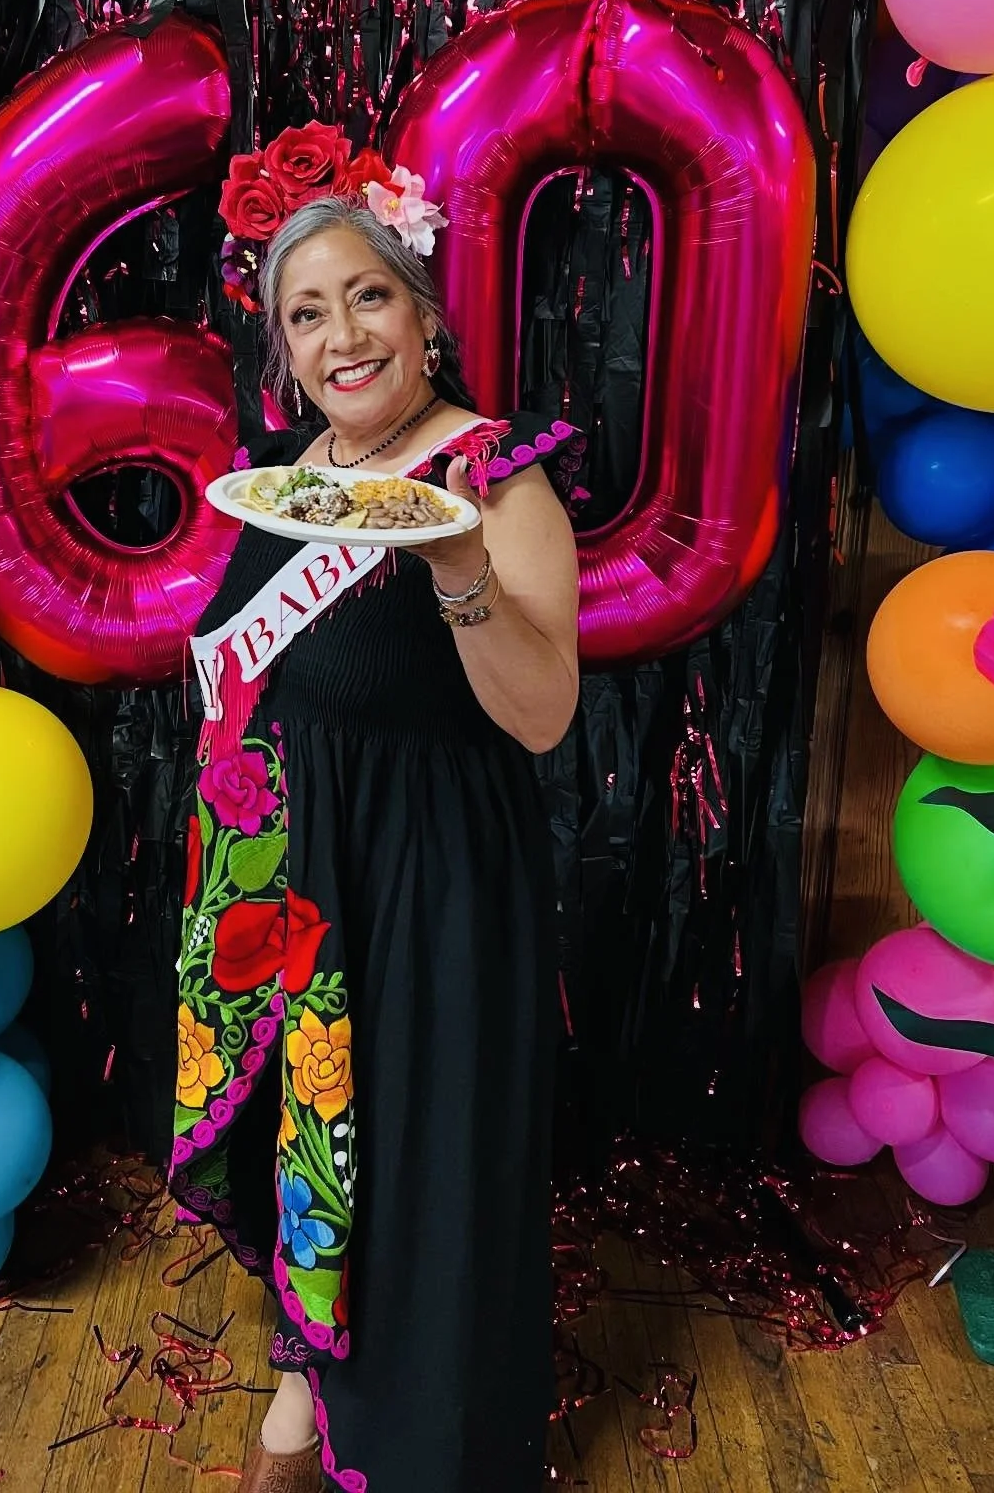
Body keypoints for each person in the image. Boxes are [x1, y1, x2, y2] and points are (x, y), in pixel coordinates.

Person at [171, 132, 583, 1493]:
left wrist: (458, 563)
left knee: (414, 1158)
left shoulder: (495, 473)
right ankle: (308, 1380)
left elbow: (539, 718)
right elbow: (240, 664)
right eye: (306, 312)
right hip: (298, 877)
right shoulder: (279, 477)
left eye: (368, 296)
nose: (341, 335)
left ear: (423, 312)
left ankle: (415, 1442)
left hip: (430, 879)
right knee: (317, 1137)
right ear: (282, 348)